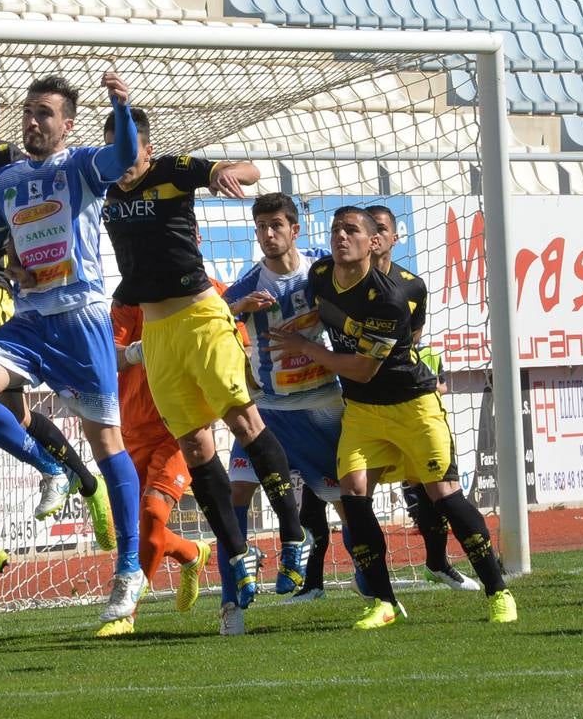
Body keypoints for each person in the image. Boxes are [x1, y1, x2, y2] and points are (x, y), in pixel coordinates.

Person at [0, 73, 145, 636]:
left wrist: (123, 107)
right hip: (29, 319)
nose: (34, 122)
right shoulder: (5, 180)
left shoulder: (82, 167)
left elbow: (124, 155)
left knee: (106, 443)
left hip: (80, 319)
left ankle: (128, 570)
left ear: (67, 125)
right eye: (29, 112)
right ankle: (53, 468)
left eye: (45, 114)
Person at [101, 109, 308, 632]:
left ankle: (292, 534)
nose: (120, 160)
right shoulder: (102, 184)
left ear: (146, 149)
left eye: (128, 149)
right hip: (158, 335)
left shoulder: (173, 170)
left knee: (243, 422)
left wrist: (225, 171)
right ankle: (236, 559)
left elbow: (252, 170)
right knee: (196, 448)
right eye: (112, 150)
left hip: (201, 316)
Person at [268, 206, 516, 630]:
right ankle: (383, 602)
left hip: (412, 405)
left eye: (352, 231)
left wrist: (306, 349)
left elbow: (365, 368)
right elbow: (321, 314)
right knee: (353, 494)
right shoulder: (321, 274)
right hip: (363, 410)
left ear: (373, 242)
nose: (341, 237)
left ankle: (498, 591)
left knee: (445, 495)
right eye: (336, 230)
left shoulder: (392, 296)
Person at [221, 192, 345, 632]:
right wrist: (236, 309)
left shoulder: (321, 269)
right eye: (261, 228)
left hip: (320, 404)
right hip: (266, 410)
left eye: (276, 226)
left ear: (295, 229)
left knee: (347, 501)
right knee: (236, 491)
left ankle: (377, 593)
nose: (268, 235)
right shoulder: (248, 284)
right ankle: (231, 608)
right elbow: (214, 318)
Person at [366, 204, 480, 593]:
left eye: (382, 228)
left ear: (395, 237)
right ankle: (337, 578)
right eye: (371, 228)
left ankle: (445, 562)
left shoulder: (412, 286)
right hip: (362, 406)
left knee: (436, 491)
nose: (376, 235)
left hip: (408, 403)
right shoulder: (343, 283)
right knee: (340, 492)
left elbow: (411, 341)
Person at [111, 299, 210, 621]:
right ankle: (191, 552)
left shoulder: (206, 291)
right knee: (135, 529)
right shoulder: (128, 298)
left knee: (153, 512)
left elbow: (235, 349)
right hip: (133, 430)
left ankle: (128, 614)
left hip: (181, 428)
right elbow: (109, 356)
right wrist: (144, 349)